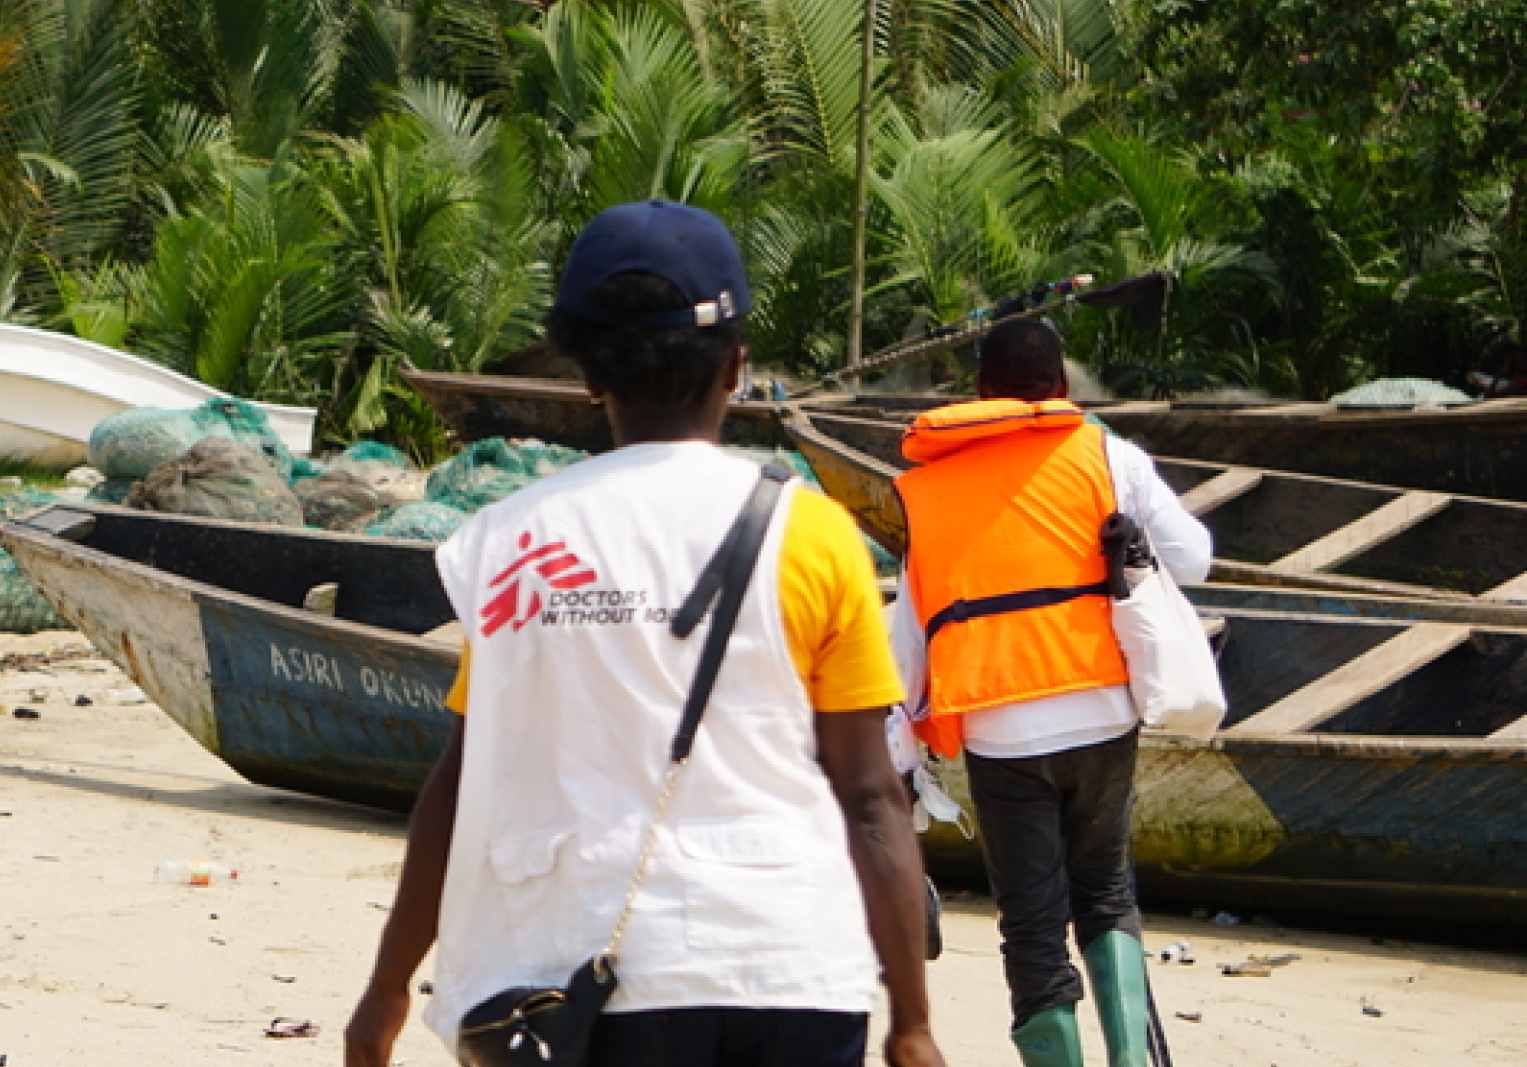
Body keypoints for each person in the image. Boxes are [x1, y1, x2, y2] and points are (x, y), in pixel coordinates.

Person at [344, 200, 945, 1067]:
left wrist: (388, 986)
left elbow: (461, 781)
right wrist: (913, 1021)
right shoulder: (812, 535)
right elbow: (870, 793)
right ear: (737, 366)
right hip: (794, 966)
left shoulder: (515, 542)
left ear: (587, 376)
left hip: (592, 969)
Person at [887, 317, 1211, 1067]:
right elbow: (1196, 559)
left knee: (1031, 924)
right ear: (1061, 389)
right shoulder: (1107, 454)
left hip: (999, 730)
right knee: (1105, 895)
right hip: (1102, 712)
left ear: (978, 395)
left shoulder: (927, 490)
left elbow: (910, 636)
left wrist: (903, 747)